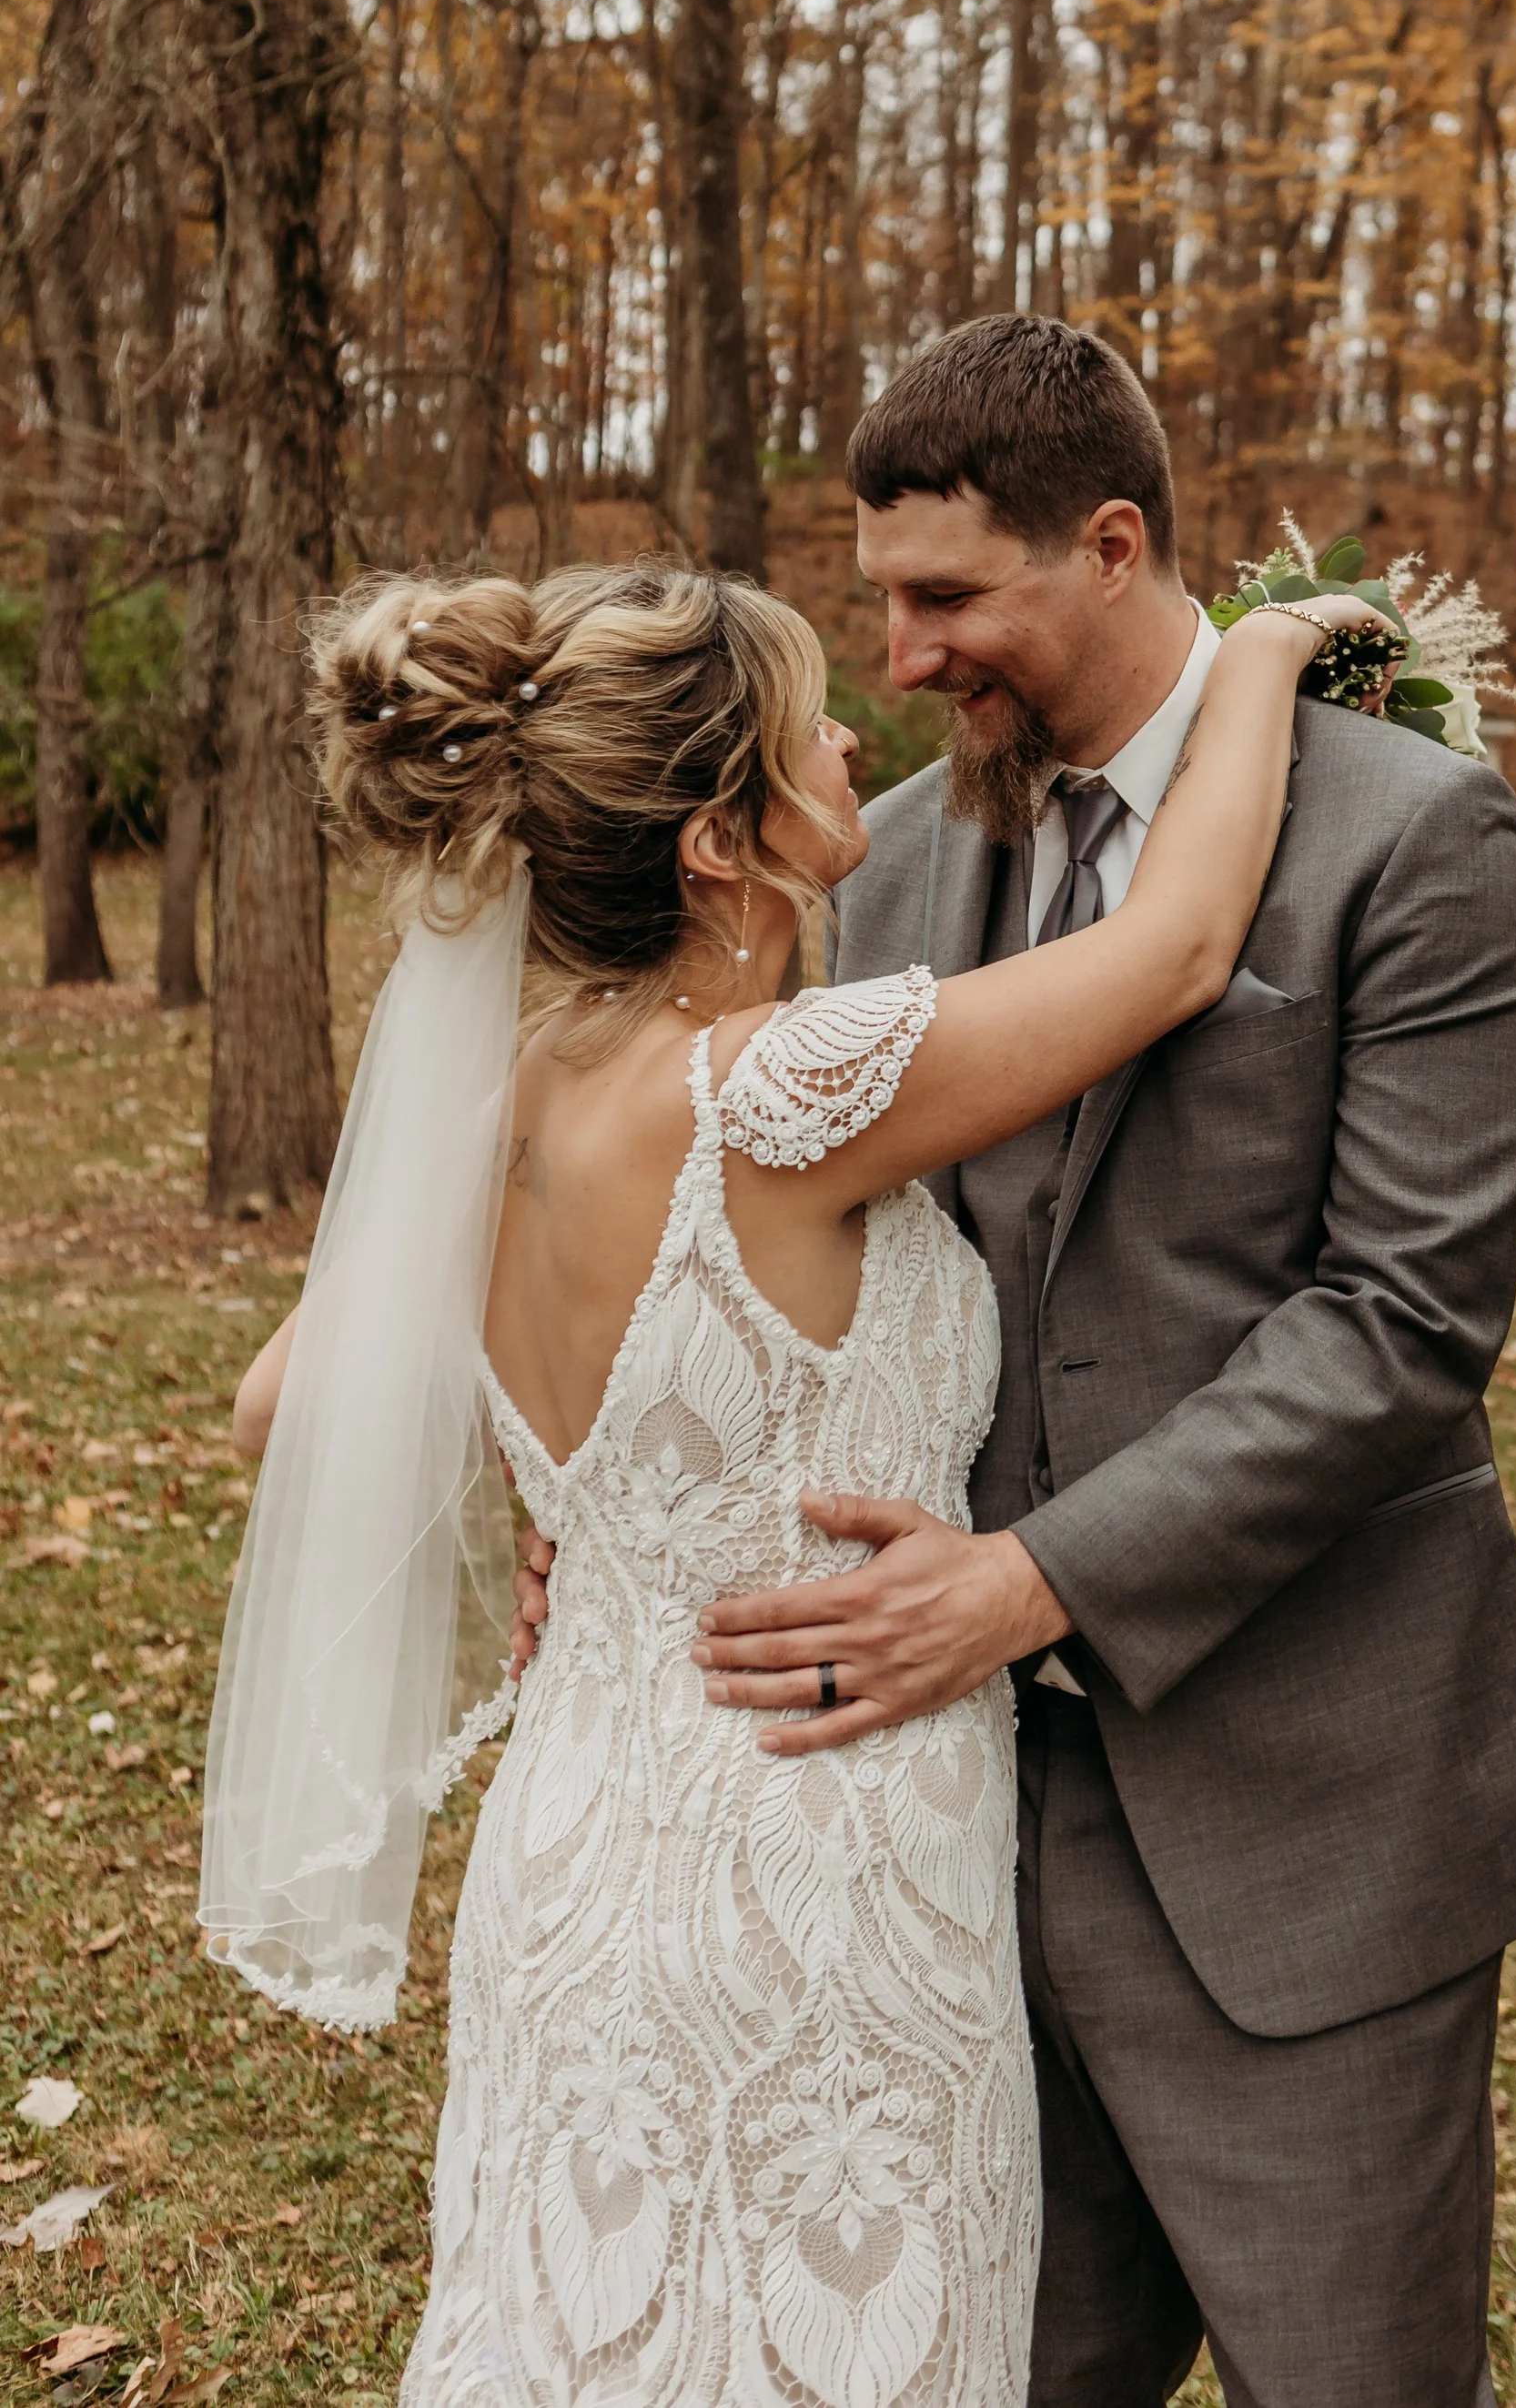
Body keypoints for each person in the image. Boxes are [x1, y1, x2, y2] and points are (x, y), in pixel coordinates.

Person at [520, 318, 1516, 2408]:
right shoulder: (898, 857)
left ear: (1110, 546)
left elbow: (1401, 1323)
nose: (905, 658)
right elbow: (747, 1216)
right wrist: (586, 1492)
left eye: (947, 599)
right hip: (927, 1863)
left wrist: (1024, 1586)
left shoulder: (1412, 836)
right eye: (878, 603)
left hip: (1305, 1819)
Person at [204, 551, 1379, 2408]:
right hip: (816, 1866)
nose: (847, 730)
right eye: (798, 719)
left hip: (575, 1868)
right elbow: (1170, 951)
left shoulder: (508, 1102)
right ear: (715, 848)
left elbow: (284, 1406)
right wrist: (1274, 646)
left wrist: (586, 1506)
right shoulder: (778, 1081)